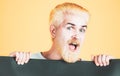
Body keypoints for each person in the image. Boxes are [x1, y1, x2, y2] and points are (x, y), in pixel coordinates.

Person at [10, 2, 114, 66]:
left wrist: (113, 67)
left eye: (82, 29)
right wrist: (11, 64)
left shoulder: (90, 69)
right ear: (53, 31)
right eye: (70, 28)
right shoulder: (28, 62)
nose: (77, 35)